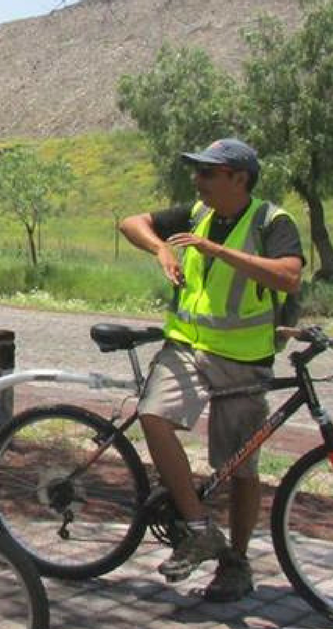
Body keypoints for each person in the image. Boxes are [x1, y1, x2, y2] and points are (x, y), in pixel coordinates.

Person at [119, 138, 303, 602]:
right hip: (186, 346)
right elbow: (131, 222)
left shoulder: (271, 222)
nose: (197, 181)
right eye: (197, 172)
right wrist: (160, 248)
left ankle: (235, 565)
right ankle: (198, 525)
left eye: (207, 173)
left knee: (239, 468)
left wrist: (216, 251)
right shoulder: (197, 214)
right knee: (153, 415)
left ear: (238, 179)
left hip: (243, 360)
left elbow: (288, 275)